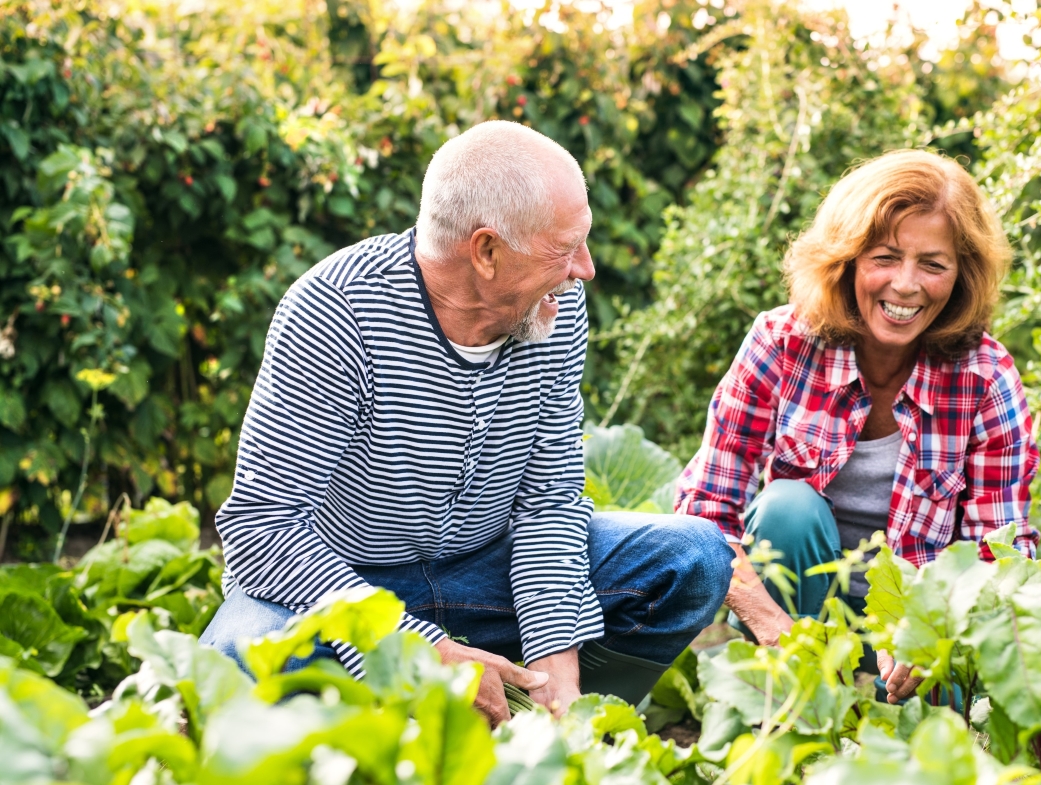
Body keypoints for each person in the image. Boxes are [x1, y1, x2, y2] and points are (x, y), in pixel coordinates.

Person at [199, 121, 732, 725]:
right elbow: (262, 528)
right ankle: (410, 711)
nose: (584, 268)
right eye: (565, 248)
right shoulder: (337, 310)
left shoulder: (550, 307)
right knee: (237, 662)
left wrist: (559, 677)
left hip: (486, 574)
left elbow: (549, 504)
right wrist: (421, 647)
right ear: (485, 251)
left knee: (694, 560)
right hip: (348, 586)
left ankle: (534, 718)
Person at [675, 149, 1039, 705]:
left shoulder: (985, 378)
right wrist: (774, 629)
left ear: (961, 276)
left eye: (933, 265)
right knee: (788, 507)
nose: (906, 285)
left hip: (917, 632)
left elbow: (1000, 552)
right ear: (847, 258)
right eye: (885, 257)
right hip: (795, 617)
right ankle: (788, 706)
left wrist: (928, 632)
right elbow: (704, 514)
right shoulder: (782, 343)